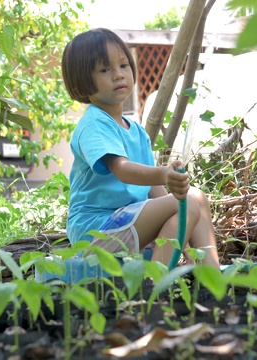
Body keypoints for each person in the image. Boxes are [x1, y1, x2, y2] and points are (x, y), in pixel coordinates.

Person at [61, 28, 220, 268]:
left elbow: (156, 192)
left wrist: (185, 237)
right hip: (95, 230)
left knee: (195, 197)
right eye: (105, 69)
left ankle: (213, 282)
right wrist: (165, 173)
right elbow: (121, 169)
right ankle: (152, 292)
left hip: (128, 223)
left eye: (124, 65)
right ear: (82, 81)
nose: (118, 75)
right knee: (186, 200)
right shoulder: (94, 123)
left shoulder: (136, 132)